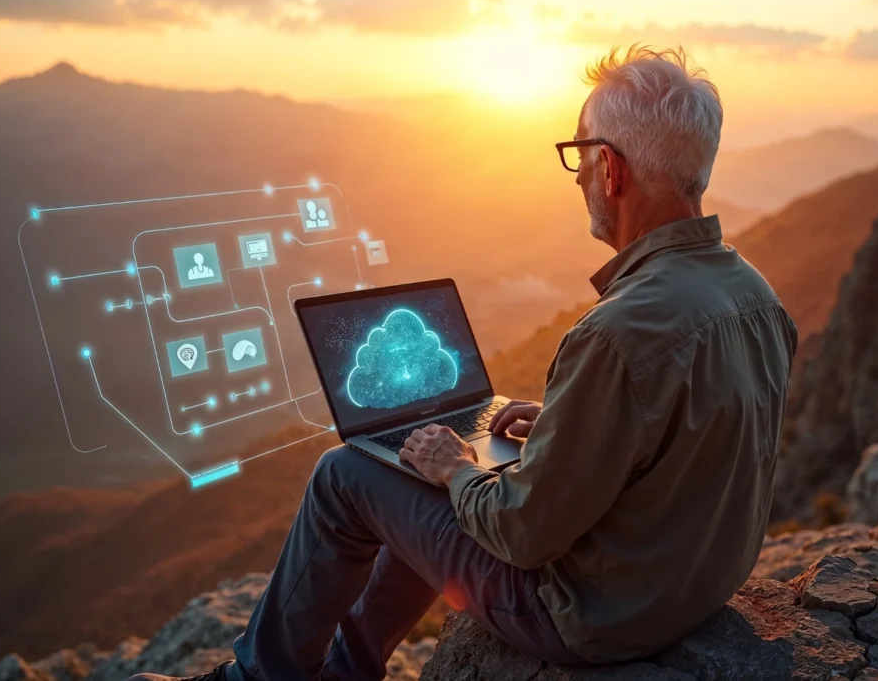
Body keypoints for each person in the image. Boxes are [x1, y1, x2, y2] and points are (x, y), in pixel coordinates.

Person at [131, 44, 797, 681]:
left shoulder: (616, 333)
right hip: (687, 590)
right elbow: (685, 446)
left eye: (580, 155)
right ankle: (344, 670)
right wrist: (567, 427)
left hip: (593, 619)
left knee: (347, 474)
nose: (579, 177)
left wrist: (454, 468)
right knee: (428, 469)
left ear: (612, 169)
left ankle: (262, 676)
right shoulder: (756, 297)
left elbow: (524, 534)